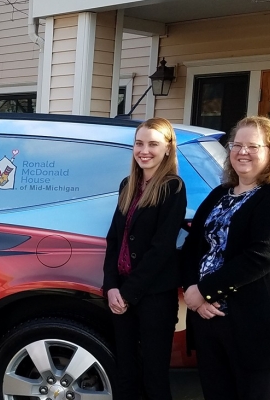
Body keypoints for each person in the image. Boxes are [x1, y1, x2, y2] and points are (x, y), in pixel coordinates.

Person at [180, 116, 270, 400]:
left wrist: (205, 291)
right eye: (236, 145)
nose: (242, 152)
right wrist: (194, 291)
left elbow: (263, 255)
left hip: (260, 327)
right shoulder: (221, 193)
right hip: (212, 320)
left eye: (253, 146)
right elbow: (193, 246)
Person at [102, 117, 187, 400]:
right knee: (126, 372)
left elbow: (162, 248)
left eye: (153, 144)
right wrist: (111, 286)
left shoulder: (172, 187)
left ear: (167, 149)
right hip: (121, 293)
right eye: (139, 143)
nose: (144, 150)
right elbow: (114, 239)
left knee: (154, 376)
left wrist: (127, 292)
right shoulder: (128, 184)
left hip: (154, 296)